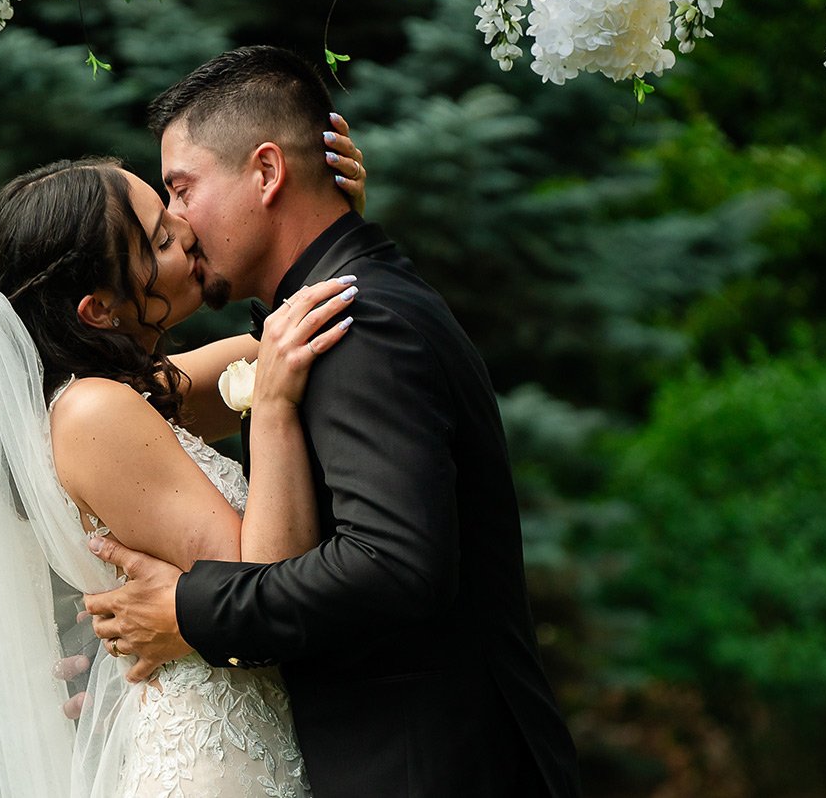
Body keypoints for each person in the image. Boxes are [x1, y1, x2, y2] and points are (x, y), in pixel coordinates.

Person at [83, 45, 584, 796]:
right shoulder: (321, 318)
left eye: (181, 190)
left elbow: (391, 565)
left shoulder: (359, 323)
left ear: (265, 173)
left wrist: (189, 612)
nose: (178, 225)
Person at [0, 130, 367, 796]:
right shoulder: (91, 412)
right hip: (218, 763)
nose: (188, 230)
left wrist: (320, 217)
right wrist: (277, 411)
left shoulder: (131, 394)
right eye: (161, 240)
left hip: (248, 733)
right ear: (98, 309)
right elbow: (258, 586)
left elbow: (278, 343)